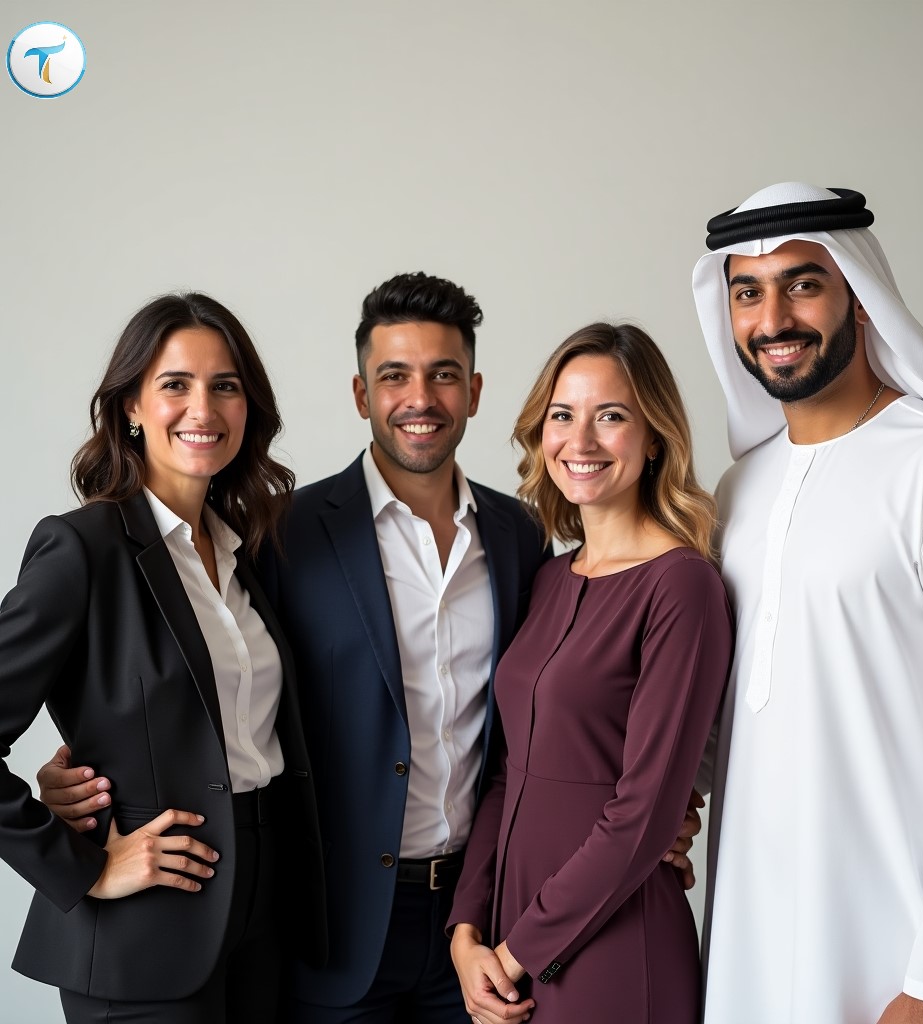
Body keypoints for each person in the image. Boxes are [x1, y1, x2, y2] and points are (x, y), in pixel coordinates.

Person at [37, 275, 699, 1022]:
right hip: (335, 930)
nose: (420, 398)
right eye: (393, 376)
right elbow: (213, 680)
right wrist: (86, 780)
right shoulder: (281, 532)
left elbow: (556, 713)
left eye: (443, 374)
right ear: (361, 394)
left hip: (484, 920)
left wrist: (658, 810)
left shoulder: (522, 539)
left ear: (475, 391)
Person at [691, 182, 923, 1023]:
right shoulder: (737, 491)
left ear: (861, 295)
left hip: (894, 955)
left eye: (802, 284)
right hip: (744, 943)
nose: (773, 319)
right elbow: (725, 718)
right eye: (746, 293)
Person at [0, 293, 326, 1023]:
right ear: (131, 408)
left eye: (225, 386)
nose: (202, 408)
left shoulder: (244, 551)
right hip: (141, 930)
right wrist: (82, 868)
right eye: (175, 384)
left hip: (262, 914)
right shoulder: (82, 548)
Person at [448, 323, 733, 1023]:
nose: (581, 441)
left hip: (614, 942)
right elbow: (506, 771)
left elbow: (646, 815)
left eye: (610, 416)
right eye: (562, 415)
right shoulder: (549, 578)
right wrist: (466, 933)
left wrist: (514, 955)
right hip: (510, 939)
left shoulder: (682, 586)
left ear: (654, 435)